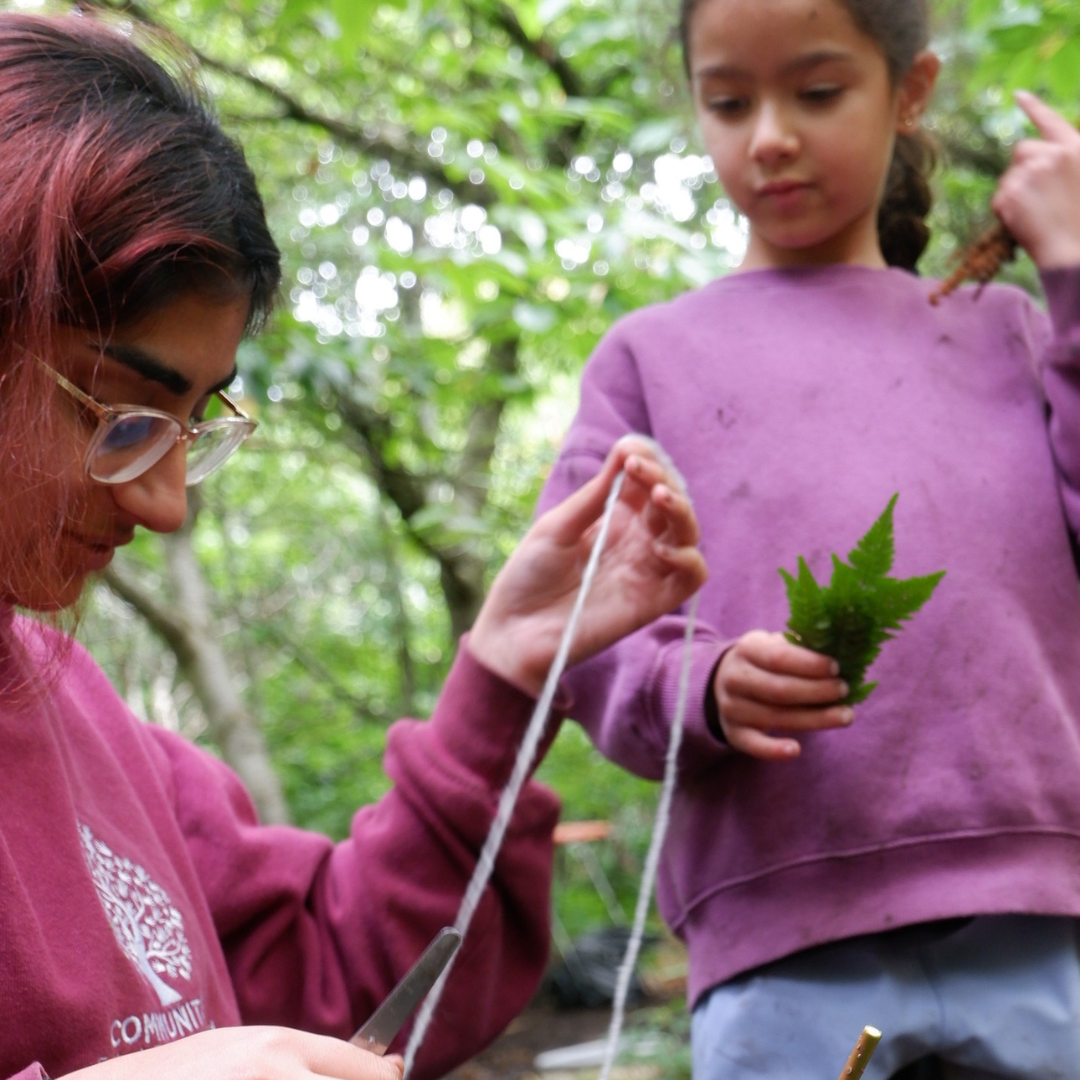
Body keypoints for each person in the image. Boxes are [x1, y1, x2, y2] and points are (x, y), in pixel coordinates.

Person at [0, 11, 707, 1080]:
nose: (164, 505)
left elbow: (331, 980)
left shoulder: (75, 711)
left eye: (190, 427)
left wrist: (510, 671)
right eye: (119, 415)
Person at [537, 0, 1080, 1077]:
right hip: (782, 941)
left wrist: (1073, 266)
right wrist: (699, 686)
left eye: (818, 92)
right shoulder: (653, 359)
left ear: (909, 89)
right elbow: (574, 627)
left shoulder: (1012, 333)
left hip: (1039, 909)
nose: (770, 135)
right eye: (729, 102)